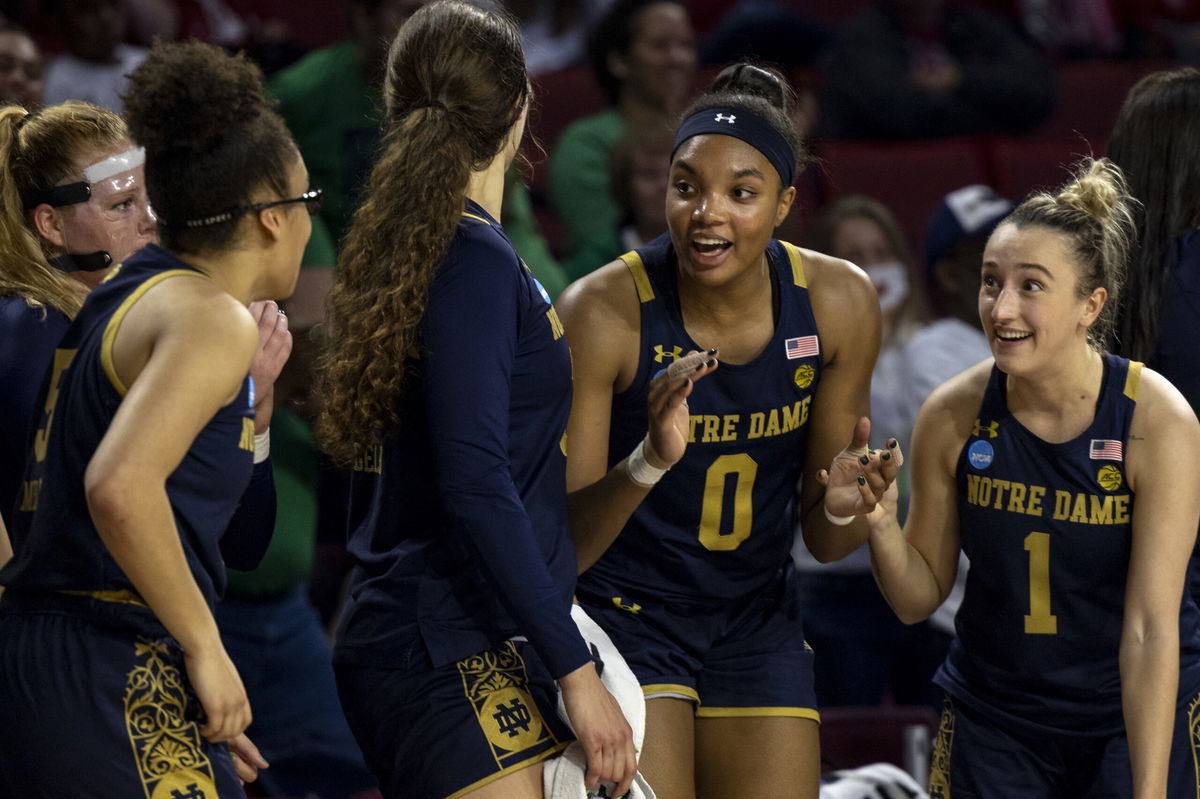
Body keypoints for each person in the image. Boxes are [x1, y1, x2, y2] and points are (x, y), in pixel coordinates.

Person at [314, 3, 636, 798]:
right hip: (441, 638)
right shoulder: (470, 257)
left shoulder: (411, 244)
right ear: (521, 103)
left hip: (443, 628)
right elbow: (475, 476)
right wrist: (575, 669)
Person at [558, 62, 884, 798]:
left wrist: (842, 505)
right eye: (686, 187)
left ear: (784, 204)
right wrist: (648, 458)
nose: (707, 212)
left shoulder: (838, 302)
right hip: (628, 612)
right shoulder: (602, 311)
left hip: (755, 613)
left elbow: (829, 544)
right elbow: (563, 546)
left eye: (741, 193)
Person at [0, 39, 310, 797]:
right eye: (308, 205)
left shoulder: (126, 290)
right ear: (270, 216)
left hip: (73, 657)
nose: (310, 226)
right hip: (105, 651)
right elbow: (118, 484)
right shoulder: (209, 317)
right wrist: (206, 652)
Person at [862, 158, 1200, 796]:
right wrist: (879, 525)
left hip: (1126, 718)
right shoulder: (953, 412)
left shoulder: (1156, 418)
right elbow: (916, 599)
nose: (1002, 307)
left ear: (1089, 306)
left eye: (1031, 286)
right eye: (992, 282)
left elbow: (1152, 628)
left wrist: (1151, 791)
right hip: (997, 719)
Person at [792, 195, 947, 710]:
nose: (874, 269)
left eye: (883, 252)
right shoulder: (805, 360)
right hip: (832, 584)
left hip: (920, 575)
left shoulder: (938, 351)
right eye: (855, 255)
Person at [547, 0, 696, 265]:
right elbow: (605, 252)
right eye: (660, 45)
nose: (678, 58)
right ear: (619, 61)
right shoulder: (585, 142)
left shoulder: (706, 135)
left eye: (686, 45)